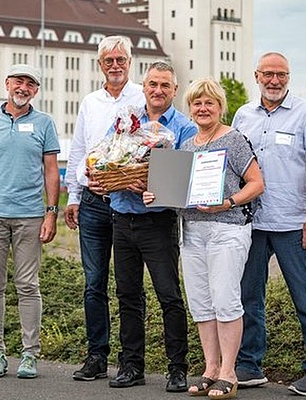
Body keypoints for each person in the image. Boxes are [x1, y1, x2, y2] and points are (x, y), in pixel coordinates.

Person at [144, 78, 264, 400]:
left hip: (227, 228)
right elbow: (180, 195)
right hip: (192, 232)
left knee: (225, 299)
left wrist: (227, 202)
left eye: (209, 103)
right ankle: (210, 369)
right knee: (201, 303)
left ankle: (229, 371)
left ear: (220, 106)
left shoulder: (235, 140)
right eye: (197, 103)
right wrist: (156, 195)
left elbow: (256, 183)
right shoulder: (187, 147)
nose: (202, 108)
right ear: (190, 108)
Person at [90, 61, 196, 392]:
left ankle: (177, 368)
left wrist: (150, 180)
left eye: (165, 85)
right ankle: (131, 365)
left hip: (158, 222)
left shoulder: (184, 128)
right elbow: (106, 157)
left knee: (169, 296)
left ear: (174, 90)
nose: (158, 90)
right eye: (153, 84)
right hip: (122, 217)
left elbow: (184, 178)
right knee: (127, 295)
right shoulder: (126, 121)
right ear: (144, 86)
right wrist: (108, 176)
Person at [233, 52, 306, 396]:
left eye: (282, 76)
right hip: (252, 223)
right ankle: (248, 365)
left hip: (293, 224)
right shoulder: (243, 115)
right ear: (256, 75)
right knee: (248, 297)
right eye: (269, 75)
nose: (275, 81)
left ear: (289, 77)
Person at [0, 64, 60, 379]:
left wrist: (51, 212)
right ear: (7, 84)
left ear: (36, 91)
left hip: (30, 216)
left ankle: (30, 355)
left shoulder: (44, 123)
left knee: (28, 285)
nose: (24, 87)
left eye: (31, 84)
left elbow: (51, 171)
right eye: (19, 81)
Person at [64, 36, 145, 381]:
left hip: (128, 204)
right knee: (93, 282)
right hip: (94, 204)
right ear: (100, 65)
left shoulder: (142, 97)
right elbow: (79, 150)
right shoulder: (90, 102)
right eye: (108, 60)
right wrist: (74, 194)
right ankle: (96, 355)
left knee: (130, 286)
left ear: (130, 62)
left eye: (120, 59)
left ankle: (132, 362)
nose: (115, 65)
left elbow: (149, 144)